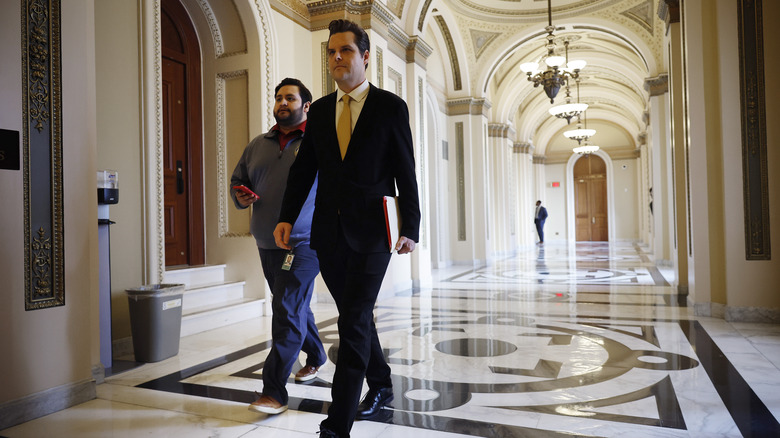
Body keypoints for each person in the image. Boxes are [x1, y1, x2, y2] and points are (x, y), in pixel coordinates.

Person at [273, 19, 420, 438]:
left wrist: (411, 224)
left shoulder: (390, 107)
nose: (337, 58)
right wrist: (286, 216)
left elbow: (405, 169)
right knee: (356, 317)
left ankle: (337, 423)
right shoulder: (318, 111)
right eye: (331, 52)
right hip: (328, 235)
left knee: (353, 320)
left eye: (346, 51)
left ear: (366, 56)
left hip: (374, 234)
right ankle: (383, 383)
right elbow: (303, 172)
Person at [230, 78, 327, 415]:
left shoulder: (318, 143)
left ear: (306, 105)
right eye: (279, 97)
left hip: (305, 242)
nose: (283, 102)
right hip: (267, 242)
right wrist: (240, 194)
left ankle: (273, 391)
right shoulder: (258, 144)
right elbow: (237, 180)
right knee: (293, 305)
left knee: (286, 308)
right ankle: (316, 355)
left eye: (290, 97)